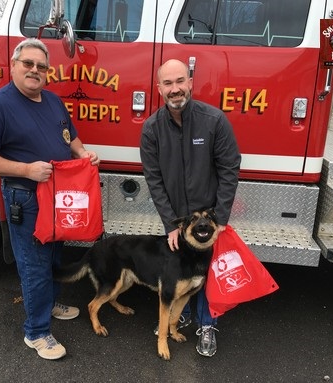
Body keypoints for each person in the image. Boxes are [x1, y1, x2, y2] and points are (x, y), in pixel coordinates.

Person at [0, 38, 100, 360]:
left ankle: (50, 304)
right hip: (25, 197)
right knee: (34, 265)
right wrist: (26, 169)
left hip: (56, 195)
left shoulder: (53, 101)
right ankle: (37, 332)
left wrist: (83, 153)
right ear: (14, 65)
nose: (34, 70)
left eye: (41, 66)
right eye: (28, 63)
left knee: (54, 257)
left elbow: (69, 134)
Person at [140, 59, 241, 357]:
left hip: (209, 219)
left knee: (208, 273)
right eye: (168, 83)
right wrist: (170, 223)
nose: (175, 89)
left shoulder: (214, 121)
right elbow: (154, 179)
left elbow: (230, 168)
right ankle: (177, 315)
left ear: (190, 82)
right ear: (159, 89)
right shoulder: (151, 129)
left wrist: (220, 217)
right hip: (177, 221)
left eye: (180, 81)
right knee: (179, 271)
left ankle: (207, 324)